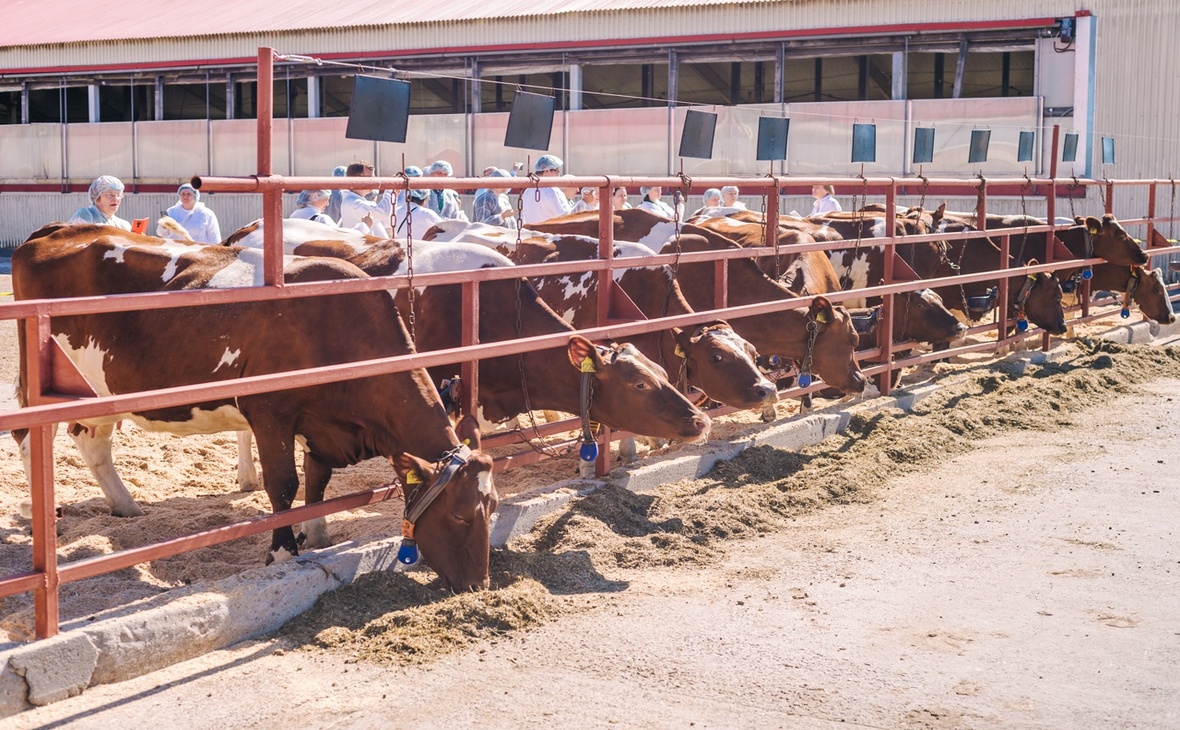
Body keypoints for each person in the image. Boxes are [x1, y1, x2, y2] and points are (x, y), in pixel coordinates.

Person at [338, 160, 393, 237]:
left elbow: (387, 220)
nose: (373, 181)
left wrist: (393, 194)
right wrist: (390, 189)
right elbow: (384, 211)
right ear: (358, 179)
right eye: (370, 178)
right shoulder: (353, 204)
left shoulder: (356, 201)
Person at [519, 154, 574, 225]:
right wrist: (584, 202)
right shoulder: (552, 190)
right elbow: (566, 217)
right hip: (550, 234)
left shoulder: (528, 191)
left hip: (532, 234)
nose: (558, 175)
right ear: (546, 171)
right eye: (557, 171)